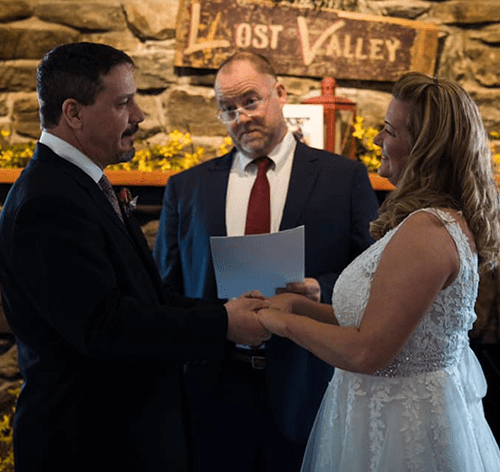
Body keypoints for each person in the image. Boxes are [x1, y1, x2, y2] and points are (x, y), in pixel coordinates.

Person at [0, 42, 271, 472]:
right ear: (73, 112)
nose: (140, 116)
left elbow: (144, 299)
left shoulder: (80, 185)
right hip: (90, 446)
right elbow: (106, 327)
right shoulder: (47, 202)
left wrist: (226, 310)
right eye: (124, 102)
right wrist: (223, 323)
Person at [257, 72, 500, 471]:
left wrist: (279, 325)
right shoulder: (432, 223)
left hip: (402, 430)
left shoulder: (428, 230)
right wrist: (294, 307)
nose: (375, 141)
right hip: (383, 412)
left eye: (388, 130)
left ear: (423, 147)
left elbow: (367, 350)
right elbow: (375, 322)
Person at [153, 51, 379, 472]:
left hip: (309, 383)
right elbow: (164, 288)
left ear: (279, 93)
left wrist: (320, 289)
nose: (241, 117)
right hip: (213, 388)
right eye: (228, 109)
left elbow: (372, 272)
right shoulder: (186, 188)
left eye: (250, 101)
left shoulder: (343, 178)